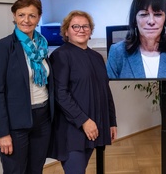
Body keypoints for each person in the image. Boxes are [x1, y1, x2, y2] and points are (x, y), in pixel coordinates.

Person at [0, 0, 54, 174]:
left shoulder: (42, 46)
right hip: (15, 123)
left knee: (36, 170)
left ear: (39, 17)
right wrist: (2, 132)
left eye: (32, 15)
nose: (26, 20)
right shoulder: (3, 47)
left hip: (43, 119)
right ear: (14, 17)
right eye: (21, 15)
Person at [48, 10, 117, 174]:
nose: (81, 30)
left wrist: (112, 121)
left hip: (96, 125)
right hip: (72, 128)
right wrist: (84, 121)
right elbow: (60, 94)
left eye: (85, 26)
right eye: (75, 26)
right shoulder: (60, 55)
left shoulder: (97, 57)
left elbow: (105, 92)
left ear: (91, 31)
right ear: (66, 31)